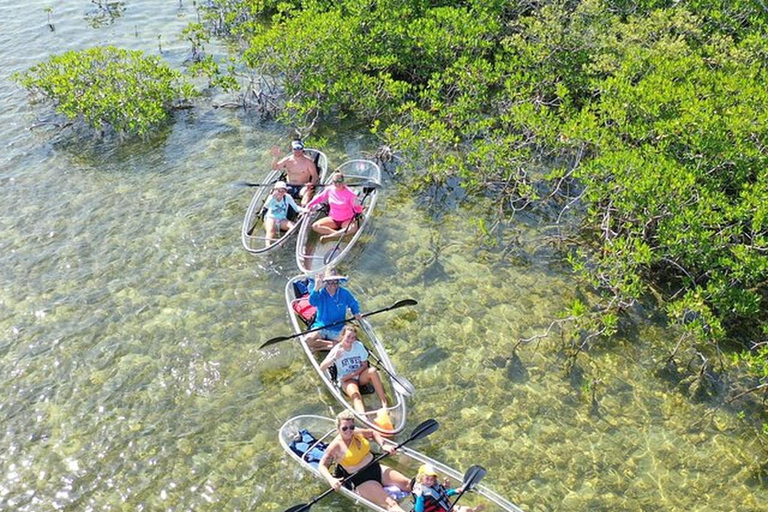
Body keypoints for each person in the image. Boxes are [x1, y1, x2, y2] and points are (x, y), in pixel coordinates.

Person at [318, 410, 412, 512]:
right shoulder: (335, 446)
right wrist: (331, 479)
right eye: (344, 428)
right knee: (391, 504)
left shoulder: (357, 433)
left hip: (376, 468)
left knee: (409, 484)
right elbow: (322, 465)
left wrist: (383, 444)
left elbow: (373, 433)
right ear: (338, 428)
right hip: (362, 479)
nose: (349, 431)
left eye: (351, 427)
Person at [319, 325, 388, 415]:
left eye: (353, 338)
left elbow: (364, 365)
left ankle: (384, 404)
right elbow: (322, 367)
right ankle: (363, 416)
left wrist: (353, 374)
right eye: (348, 337)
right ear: (342, 336)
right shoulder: (337, 349)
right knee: (356, 395)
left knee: (373, 371)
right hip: (346, 380)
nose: (350, 340)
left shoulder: (358, 346)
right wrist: (334, 358)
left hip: (358, 375)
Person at [304, 268, 362, 351]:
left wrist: (356, 313)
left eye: (335, 282)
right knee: (307, 340)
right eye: (330, 282)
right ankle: (332, 344)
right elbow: (312, 302)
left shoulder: (344, 293)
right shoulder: (320, 292)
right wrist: (316, 287)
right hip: (321, 326)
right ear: (325, 283)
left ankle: (319, 348)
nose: (333, 285)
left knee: (349, 343)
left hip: (338, 327)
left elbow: (353, 303)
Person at [305, 171, 363, 243]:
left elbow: (357, 208)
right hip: (333, 219)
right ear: (332, 182)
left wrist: (360, 210)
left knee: (353, 228)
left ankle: (331, 236)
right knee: (315, 226)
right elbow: (319, 198)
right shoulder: (329, 189)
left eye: (339, 181)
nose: (337, 184)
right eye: (335, 182)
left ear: (343, 181)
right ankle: (339, 236)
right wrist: (309, 205)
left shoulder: (351, 194)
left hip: (346, 220)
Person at [412, 464, 485, 512]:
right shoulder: (420, 492)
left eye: (432, 479)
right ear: (421, 478)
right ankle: (474, 510)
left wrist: (456, 491)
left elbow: (444, 494)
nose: (429, 481)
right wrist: (419, 497)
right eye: (427, 478)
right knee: (465, 510)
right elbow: (419, 510)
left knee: (467, 509)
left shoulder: (434, 486)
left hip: (446, 509)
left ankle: (474, 510)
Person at [270, 140, 319, 206]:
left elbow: (315, 176)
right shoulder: (287, 160)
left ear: (302, 149)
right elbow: (275, 167)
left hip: (302, 187)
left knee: (306, 195)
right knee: (275, 193)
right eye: (295, 149)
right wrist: (276, 157)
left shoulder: (308, 162)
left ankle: (304, 211)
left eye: (299, 149)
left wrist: (311, 185)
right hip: (289, 186)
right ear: (292, 149)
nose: (297, 151)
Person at [262, 181, 304, 247]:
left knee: (293, 227)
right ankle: (268, 245)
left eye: (283, 191)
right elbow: (266, 206)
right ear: (275, 190)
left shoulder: (287, 197)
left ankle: (282, 241)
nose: (281, 193)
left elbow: (296, 208)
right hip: (271, 218)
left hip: (282, 219)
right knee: (271, 231)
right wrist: (273, 197)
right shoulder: (271, 197)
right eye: (279, 191)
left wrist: (305, 210)